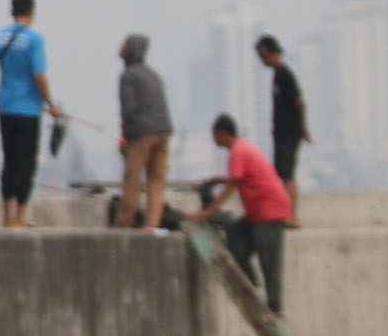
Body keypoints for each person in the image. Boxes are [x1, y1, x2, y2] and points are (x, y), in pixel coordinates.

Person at [0, 0, 65, 226]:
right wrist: (51, 104)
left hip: (6, 107)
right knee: (26, 164)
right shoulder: (35, 39)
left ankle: (6, 216)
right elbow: (39, 75)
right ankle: (20, 217)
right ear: (32, 12)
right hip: (29, 110)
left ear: (12, 11)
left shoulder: (0, 37)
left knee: (10, 161)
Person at [194, 111, 296, 314]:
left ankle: (274, 307)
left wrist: (209, 211)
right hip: (258, 213)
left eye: (215, 134)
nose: (214, 139)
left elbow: (232, 185)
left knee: (269, 261)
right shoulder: (241, 149)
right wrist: (218, 180)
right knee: (235, 237)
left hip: (270, 211)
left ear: (223, 133)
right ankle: (250, 279)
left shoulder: (238, 151)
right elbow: (241, 177)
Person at [114, 33, 172, 230]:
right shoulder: (154, 75)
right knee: (156, 181)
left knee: (132, 177)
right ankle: (151, 225)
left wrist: (126, 137)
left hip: (142, 133)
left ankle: (124, 222)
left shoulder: (128, 76)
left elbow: (128, 109)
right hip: (163, 131)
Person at [258, 33, 310, 199]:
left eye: (264, 56)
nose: (263, 60)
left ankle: (290, 211)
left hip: (289, 132)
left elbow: (300, 103)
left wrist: (303, 128)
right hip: (281, 132)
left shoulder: (285, 75)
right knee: (282, 171)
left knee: (287, 173)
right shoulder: (277, 75)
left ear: (274, 52)